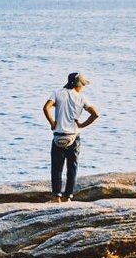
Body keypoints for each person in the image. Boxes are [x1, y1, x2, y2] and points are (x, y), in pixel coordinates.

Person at [42, 72, 101, 201]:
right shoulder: (82, 98)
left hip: (58, 136)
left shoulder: (57, 93)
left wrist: (52, 123)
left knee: (56, 168)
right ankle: (67, 197)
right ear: (78, 85)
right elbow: (96, 114)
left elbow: (46, 108)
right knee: (72, 168)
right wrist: (82, 125)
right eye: (83, 85)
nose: (84, 87)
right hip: (73, 137)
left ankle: (56, 196)